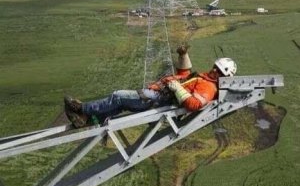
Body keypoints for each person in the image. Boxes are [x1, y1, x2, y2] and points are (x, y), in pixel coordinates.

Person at [64, 46, 237, 128]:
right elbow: (184, 76)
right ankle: (89, 120)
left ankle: (81, 109)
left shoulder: (209, 87)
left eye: (219, 71)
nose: (214, 71)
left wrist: (176, 88)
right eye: (216, 67)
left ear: (223, 77)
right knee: (121, 104)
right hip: (159, 96)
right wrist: (183, 55)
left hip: (158, 100)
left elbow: (194, 104)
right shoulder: (205, 79)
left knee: (118, 96)